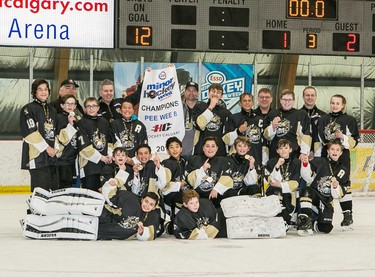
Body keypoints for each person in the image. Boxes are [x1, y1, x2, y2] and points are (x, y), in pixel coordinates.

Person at [316, 94, 359, 230]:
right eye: (332, 103)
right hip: (326, 156)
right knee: (324, 182)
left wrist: (343, 137)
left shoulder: (349, 120)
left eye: (337, 103)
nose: (334, 105)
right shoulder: (323, 119)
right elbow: (319, 139)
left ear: (343, 105)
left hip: (342, 157)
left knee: (343, 183)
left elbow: (354, 142)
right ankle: (321, 213)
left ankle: (347, 215)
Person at [299, 141, 350, 236]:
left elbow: (339, 194)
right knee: (307, 190)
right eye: (332, 149)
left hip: (326, 201)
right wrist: (305, 164)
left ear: (341, 153)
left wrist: (335, 187)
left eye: (338, 149)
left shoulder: (343, 170)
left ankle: (313, 222)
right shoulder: (320, 162)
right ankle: (305, 220)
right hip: (315, 196)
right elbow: (307, 177)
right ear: (328, 151)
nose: (335, 151)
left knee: (326, 228)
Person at [20, 78, 59, 192]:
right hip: (37, 155)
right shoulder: (28, 109)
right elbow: (30, 133)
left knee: (53, 190)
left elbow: (55, 131)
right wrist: (47, 148)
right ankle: (35, 210)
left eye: (46, 89)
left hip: (52, 156)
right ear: (34, 92)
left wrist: (55, 148)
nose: (43, 92)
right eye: (40, 89)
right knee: (40, 191)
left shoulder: (52, 110)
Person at [76, 97, 113, 192]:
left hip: (104, 165)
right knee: (90, 194)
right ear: (85, 108)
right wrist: (101, 157)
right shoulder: (81, 123)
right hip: (89, 166)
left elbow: (109, 140)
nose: (91, 108)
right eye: (88, 106)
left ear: (98, 108)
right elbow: (83, 146)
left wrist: (109, 155)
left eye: (94, 106)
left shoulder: (104, 121)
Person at [186, 136, 233, 208]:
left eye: (213, 146)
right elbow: (190, 180)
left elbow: (228, 178)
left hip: (216, 194)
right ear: (203, 148)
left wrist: (216, 189)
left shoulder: (223, 161)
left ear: (217, 148)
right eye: (207, 146)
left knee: (231, 193)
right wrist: (202, 169)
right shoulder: (194, 160)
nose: (210, 149)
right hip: (199, 195)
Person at [264, 89, 311, 160]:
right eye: (284, 99)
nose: (287, 102)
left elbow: (306, 134)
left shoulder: (301, 114)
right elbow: (266, 136)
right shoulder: (273, 114)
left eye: (289, 100)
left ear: (294, 101)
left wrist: (304, 153)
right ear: (280, 100)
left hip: (294, 154)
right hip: (275, 154)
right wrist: (272, 127)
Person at [223, 93, 266, 166]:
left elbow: (263, 141)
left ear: (253, 102)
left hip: (256, 157)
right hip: (237, 160)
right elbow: (226, 140)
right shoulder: (233, 118)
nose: (247, 103)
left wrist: (264, 160)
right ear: (240, 103)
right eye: (244, 101)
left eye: (249, 100)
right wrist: (238, 131)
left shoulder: (259, 119)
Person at [265, 139, 301, 224]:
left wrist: (280, 184)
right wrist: (277, 166)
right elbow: (271, 181)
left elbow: (295, 183)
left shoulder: (296, 163)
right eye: (281, 148)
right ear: (277, 151)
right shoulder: (271, 162)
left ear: (290, 149)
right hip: (275, 192)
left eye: (286, 148)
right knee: (276, 190)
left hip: (290, 193)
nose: (283, 150)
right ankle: (278, 215)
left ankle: (288, 216)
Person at [193, 83, 231, 156]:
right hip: (201, 150)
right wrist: (210, 107)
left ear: (221, 96)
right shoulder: (199, 107)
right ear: (208, 93)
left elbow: (227, 135)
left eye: (218, 92)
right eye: (213, 91)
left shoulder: (226, 113)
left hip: (219, 152)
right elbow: (199, 125)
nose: (215, 94)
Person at [160, 137, 190, 226]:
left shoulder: (186, 162)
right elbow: (164, 185)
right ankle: (175, 222)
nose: (174, 149)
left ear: (181, 149)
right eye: (171, 147)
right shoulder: (166, 163)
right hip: (171, 194)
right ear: (168, 151)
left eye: (177, 146)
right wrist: (179, 185)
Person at [55, 94, 79, 189]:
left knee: (72, 186)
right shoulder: (58, 118)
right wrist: (70, 125)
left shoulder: (78, 119)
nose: (70, 106)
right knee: (64, 187)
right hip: (63, 159)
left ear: (75, 106)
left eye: (72, 104)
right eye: (67, 103)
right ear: (62, 105)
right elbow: (60, 138)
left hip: (74, 159)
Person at [300, 86, 326, 159]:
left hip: (319, 153)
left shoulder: (323, 116)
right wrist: (306, 151)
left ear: (316, 97)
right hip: (301, 153)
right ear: (303, 97)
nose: (310, 97)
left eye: (312, 95)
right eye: (307, 95)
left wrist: (314, 151)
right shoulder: (297, 115)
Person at [181, 81, 201, 158]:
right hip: (179, 151)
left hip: (198, 153)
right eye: (189, 90)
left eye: (194, 91)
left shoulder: (203, 108)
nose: (191, 93)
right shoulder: (177, 108)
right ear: (185, 91)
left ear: (198, 93)